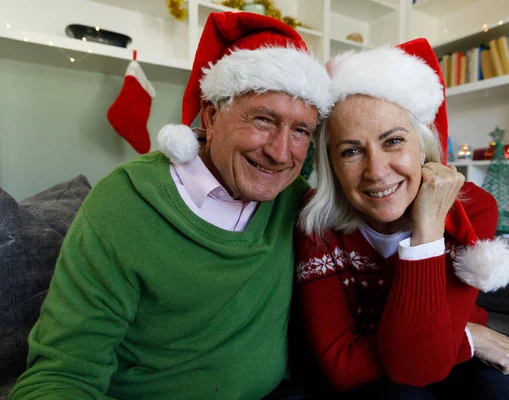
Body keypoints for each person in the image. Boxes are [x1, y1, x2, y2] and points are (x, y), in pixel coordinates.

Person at [10, 11, 332, 400]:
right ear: (211, 116)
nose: (281, 153)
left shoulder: (296, 202)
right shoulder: (124, 203)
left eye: (301, 131)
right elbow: (62, 375)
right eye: (264, 119)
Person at [293, 38, 509, 399]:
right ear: (331, 165)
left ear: (423, 144)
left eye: (393, 141)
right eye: (351, 151)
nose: (377, 171)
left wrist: (429, 225)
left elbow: (421, 359)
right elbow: (346, 366)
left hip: (452, 362)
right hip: (403, 369)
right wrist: (467, 338)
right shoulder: (316, 223)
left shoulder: (472, 207)